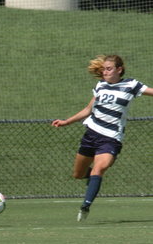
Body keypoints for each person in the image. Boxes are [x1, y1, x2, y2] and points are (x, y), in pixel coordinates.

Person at [52, 54, 153, 221]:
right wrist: (66, 122)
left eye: (109, 69)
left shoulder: (131, 85)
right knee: (78, 174)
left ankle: (85, 206)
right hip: (91, 134)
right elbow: (88, 109)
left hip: (111, 138)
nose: (105, 72)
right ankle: (93, 180)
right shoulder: (101, 85)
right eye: (104, 69)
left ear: (119, 70)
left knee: (98, 169)